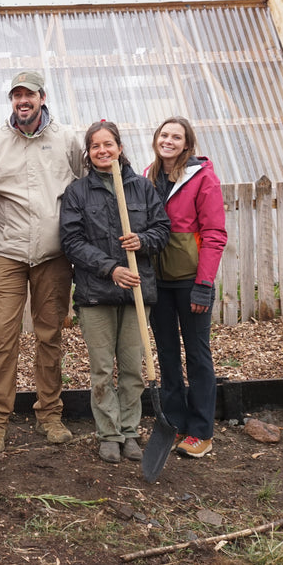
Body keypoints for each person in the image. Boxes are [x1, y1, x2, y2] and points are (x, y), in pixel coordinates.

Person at [0, 70, 86, 454]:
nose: (23, 101)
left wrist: (85, 251)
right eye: (16, 95)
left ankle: (49, 414)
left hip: (54, 256)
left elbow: (87, 192)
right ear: (11, 101)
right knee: (2, 338)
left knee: (50, 336)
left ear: (42, 97)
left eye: (29, 94)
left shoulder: (67, 140)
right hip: (7, 254)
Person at [60, 120, 170, 463]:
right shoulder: (78, 192)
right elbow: (71, 241)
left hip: (137, 292)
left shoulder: (141, 188)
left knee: (133, 367)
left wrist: (143, 240)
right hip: (96, 293)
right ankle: (108, 433)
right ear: (88, 153)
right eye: (95, 146)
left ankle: (131, 432)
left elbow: (162, 230)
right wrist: (111, 268)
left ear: (120, 148)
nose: (102, 151)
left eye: (108, 144)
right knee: (102, 369)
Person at [145, 117, 227, 458]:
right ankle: (174, 421)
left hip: (190, 280)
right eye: (164, 135)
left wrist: (204, 284)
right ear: (156, 140)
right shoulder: (150, 175)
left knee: (197, 354)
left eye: (176, 137)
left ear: (187, 144)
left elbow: (214, 234)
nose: (169, 141)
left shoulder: (202, 178)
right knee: (166, 354)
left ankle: (201, 430)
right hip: (158, 282)